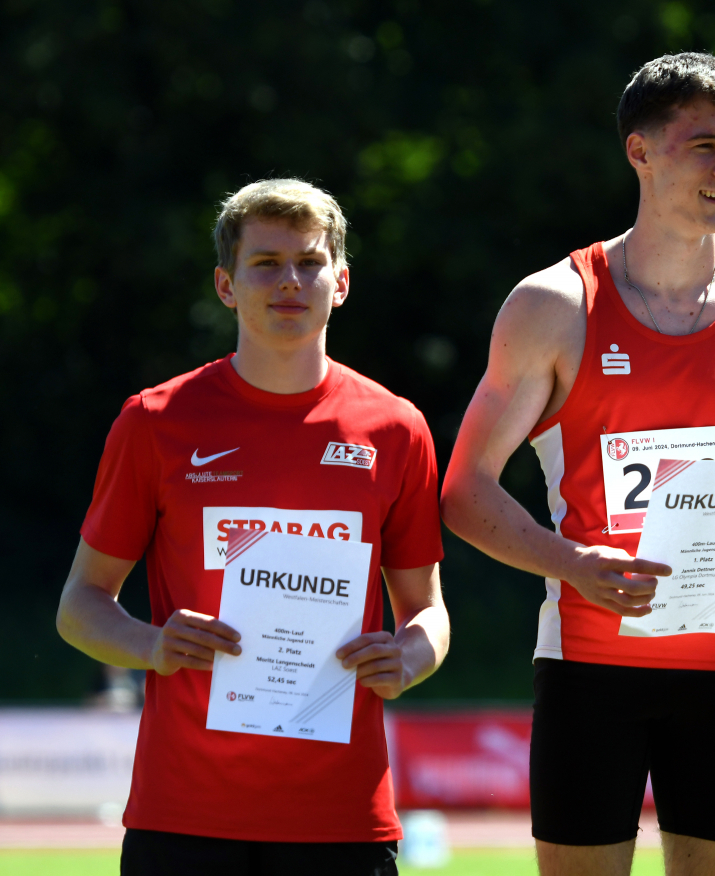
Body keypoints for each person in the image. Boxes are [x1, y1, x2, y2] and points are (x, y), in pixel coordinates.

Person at [441, 53, 715, 876]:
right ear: (640, 151)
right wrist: (571, 562)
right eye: (704, 146)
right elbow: (464, 490)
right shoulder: (555, 305)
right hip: (590, 665)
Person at [56, 178, 450, 876]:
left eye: (309, 261)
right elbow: (80, 606)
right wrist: (153, 644)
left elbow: (426, 610)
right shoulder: (155, 421)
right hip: (183, 817)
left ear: (342, 281)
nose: (290, 281)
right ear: (226, 285)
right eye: (265, 263)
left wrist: (410, 658)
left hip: (342, 821)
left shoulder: (396, 428)